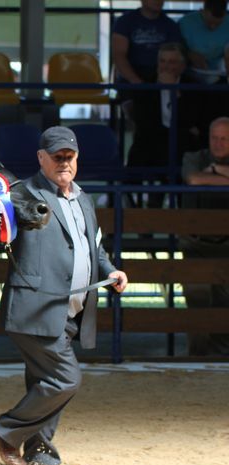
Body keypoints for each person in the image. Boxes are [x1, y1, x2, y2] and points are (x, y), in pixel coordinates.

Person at [0, 126, 129, 465]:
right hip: (36, 307)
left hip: (70, 311)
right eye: (57, 157)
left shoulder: (84, 198)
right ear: (41, 158)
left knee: (45, 385)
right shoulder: (23, 194)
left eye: (69, 156)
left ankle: (42, 456)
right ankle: (6, 432)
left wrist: (111, 271)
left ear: (77, 159)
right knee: (66, 379)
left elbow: (92, 246)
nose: (64, 162)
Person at [127, 43, 204, 207]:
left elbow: (192, 119)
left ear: (182, 66)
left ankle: (184, 220)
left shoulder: (193, 86)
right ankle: (141, 217)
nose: (166, 67)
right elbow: (144, 122)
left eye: (172, 62)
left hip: (182, 143)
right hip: (152, 142)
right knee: (139, 160)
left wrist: (174, 92)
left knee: (187, 157)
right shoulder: (146, 85)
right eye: (162, 62)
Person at [179, 116, 229, 355]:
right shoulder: (194, 158)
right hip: (196, 243)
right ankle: (196, 358)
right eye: (214, 138)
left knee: (225, 305)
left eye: (224, 139)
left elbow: (204, 177)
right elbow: (194, 178)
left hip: (227, 245)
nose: (218, 144)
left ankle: (221, 357)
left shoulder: (209, 163)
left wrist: (217, 171)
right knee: (196, 300)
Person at [112, 0, 181, 105]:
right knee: (132, 105)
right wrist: (135, 81)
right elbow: (119, 55)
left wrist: (165, 78)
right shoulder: (125, 21)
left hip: (159, 72)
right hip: (131, 74)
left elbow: (175, 57)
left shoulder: (170, 25)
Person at [178, 0, 229, 83]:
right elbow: (175, 46)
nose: (213, 27)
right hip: (189, 72)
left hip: (219, 74)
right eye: (209, 22)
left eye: (218, 24)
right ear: (202, 11)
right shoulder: (185, 23)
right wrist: (188, 54)